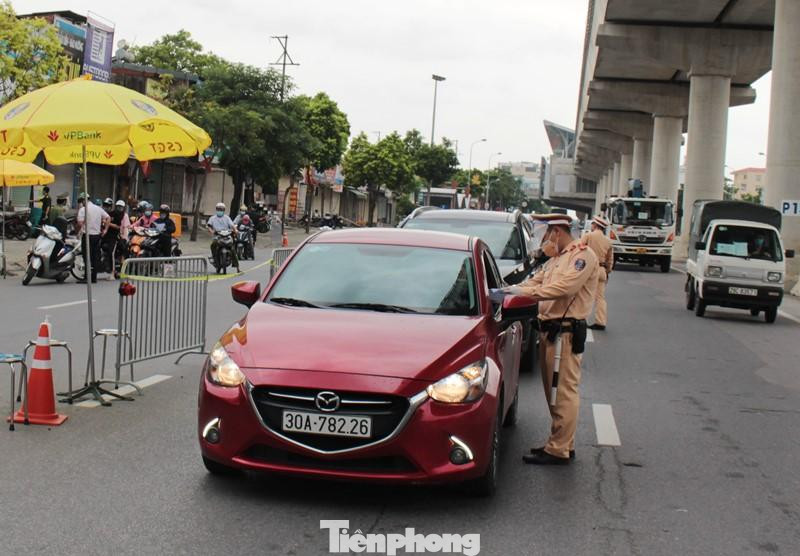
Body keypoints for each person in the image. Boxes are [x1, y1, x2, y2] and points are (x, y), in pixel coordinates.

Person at [504, 214, 599, 466]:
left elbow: (563, 289)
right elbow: (534, 281)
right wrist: (507, 290)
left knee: (563, 393)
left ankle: (559, 449)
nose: (543, 241)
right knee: (552, 393)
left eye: (546, 235)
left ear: (557, 232)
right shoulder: (557, 259)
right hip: (549, 332)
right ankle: (562, 443)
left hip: (565, 334)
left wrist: (524, 292)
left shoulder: (582, 256)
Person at [582, 215, 613, 331]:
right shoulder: (608, 241)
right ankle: (601, 322)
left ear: (595, 225)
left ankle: (582, 319)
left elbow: (579, 249)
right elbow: (610, 260)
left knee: (584, 295)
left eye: (592, 224)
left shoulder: (588, 236)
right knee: (600, 298)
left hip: (588, 269)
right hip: (601, 270)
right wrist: (607, 271)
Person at [76, 193, 110, 283]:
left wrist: (82, 226)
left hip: (87, 235)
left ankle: (87, 277)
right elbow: (108, 217)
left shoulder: (83, 209)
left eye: (81, 201)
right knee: (95, 257)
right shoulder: (98, 208)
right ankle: (94, 277)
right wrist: (105, 230)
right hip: (97, 236)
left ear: (83, 200)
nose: (81, 203)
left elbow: (80, 223)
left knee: (87, 256)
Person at [102, 200, 131, 277]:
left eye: (121, 207)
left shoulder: (124, 216)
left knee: (117, 252)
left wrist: (107, 223)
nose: (119, 208)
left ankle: (116, 271)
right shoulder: (111, 214)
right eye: (118, 206)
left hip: (121, 237)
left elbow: (123, 227)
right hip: (110, 236)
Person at [207, 202, 239, 271]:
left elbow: (232, 225)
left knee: (233, 249)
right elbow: (209, 226)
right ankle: (214, 258)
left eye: (221, 209)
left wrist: (235, 230)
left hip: (227, 236)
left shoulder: (227, 218)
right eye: (218, 209)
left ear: (224, 210)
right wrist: (211, 231)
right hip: (217, 236)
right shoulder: (212, 218)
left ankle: (237, 267)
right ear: (216, 209)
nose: (220, 211)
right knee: (213, 245)